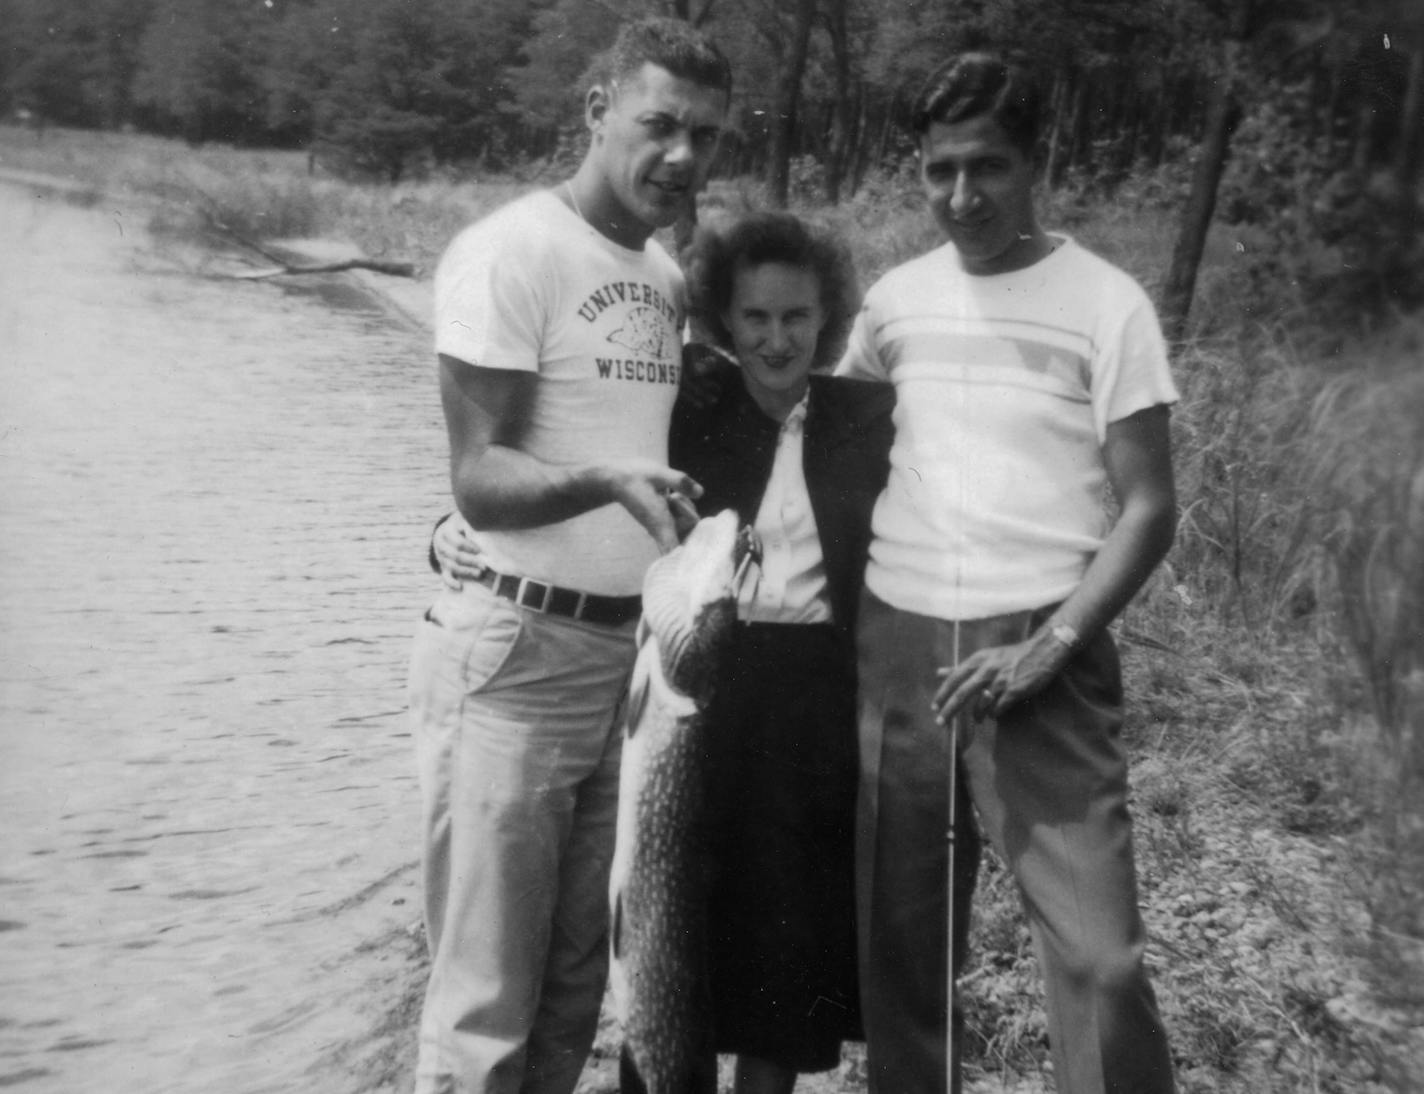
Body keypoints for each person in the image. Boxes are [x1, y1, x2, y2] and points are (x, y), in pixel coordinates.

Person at [836, 51, 1180, 1094]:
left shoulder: (1105, 304)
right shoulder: (893, 302)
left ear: (1038, 160)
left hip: (1043, 649)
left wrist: (1051, 643)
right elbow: (833, 448)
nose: (959, 196)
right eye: (937, 169)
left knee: (1097, 958)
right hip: (897, 642)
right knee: (900, 953)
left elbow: (1148, 506)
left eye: (985, 166)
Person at [408, 19, 731, 1094]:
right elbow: (479, 479)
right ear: (596, 111)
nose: (681, 156)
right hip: (517, 648)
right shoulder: (510, 250)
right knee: (483, 1004)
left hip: (629, 667)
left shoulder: (662, 270)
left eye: (703, 136)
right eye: (658, 126)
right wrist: (601, 481)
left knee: (572, 989)